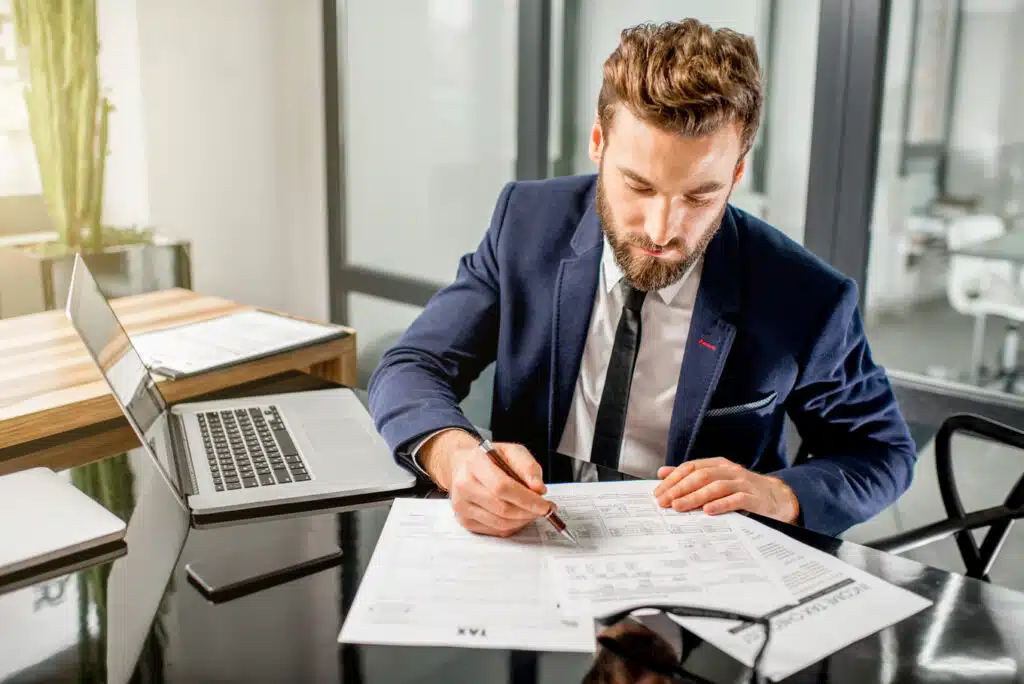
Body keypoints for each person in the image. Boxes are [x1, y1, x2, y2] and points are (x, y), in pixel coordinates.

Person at [368, 18, 916, 539]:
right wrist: (457, 457)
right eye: (639, 186)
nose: (662, 229)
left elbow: (883, 453)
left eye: (700, 196)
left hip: (704, 569)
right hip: (532, 539)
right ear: (598, 144)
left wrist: (778, 495)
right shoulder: (526, 223)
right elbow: (414, 363)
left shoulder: (805, 294)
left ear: (737, 173)